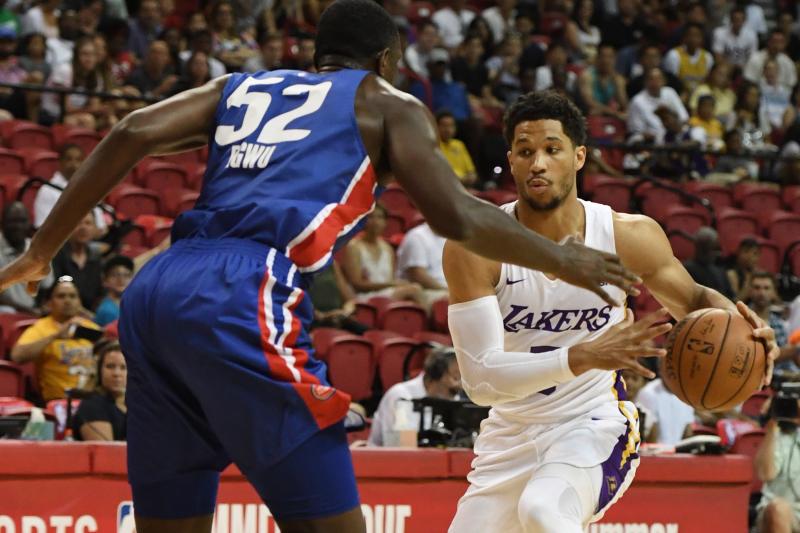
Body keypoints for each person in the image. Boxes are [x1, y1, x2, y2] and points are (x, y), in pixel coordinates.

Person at [0, 1, 644, 531]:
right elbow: (457, 216)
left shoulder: (241, 85)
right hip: (243, 288)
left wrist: (40, 249)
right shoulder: (386, 103)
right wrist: (563, 258)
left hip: (159, 288)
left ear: (316, 57)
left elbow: (135, 130)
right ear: (389, 61)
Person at [442, 91, 778, 533]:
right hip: (510, 434)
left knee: (543, 511)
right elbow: (482, 382)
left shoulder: (626, 236)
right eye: (525, 152)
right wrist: (585, 356)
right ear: (511, 159)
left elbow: (695, 302)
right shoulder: (476, 247)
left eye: (551, 149)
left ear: (579, 156)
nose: (537, 163)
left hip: (594, 424)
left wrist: (749, 329)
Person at [10, 277, 100, 402]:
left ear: (79, 302)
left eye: (73, 296)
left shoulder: (91, 328)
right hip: (57, 402)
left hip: (92, 401)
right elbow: (17, 356)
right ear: (49, 303)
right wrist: (55, 336)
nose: (68, 301)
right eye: (61, 296)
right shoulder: (41, 328)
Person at [368, 347, 461, 446]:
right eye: (455, 378)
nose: (460, 386)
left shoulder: (452, 398)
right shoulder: (401, 396)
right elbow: (399, 445)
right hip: (388, 458)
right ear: (434, 376)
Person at [341, 205, 424, 303]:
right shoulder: (354, 247)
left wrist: (393, 285)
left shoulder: (388, 249)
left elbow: (391, 279)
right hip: (363, 296)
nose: (375, 221)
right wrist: (392, 285)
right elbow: (356, 284)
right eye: (371, 217)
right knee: (414, 289)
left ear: (385, 222)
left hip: (387, 293)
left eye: (379, 217)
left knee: (411, 298)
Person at [33, 144, 106, 232]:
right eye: (69, 159)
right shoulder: (47, 190)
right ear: (60, 162)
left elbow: (101, 227)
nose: (74, 164)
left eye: (78, 160)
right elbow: (41, 227)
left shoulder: (91, 189)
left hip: (91, 243)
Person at [754, 399, 800, 533]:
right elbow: (765, 473)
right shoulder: (780, 436)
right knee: (778, 509)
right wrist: (772, 427)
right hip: (783, 513)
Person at [0, 202, 52, 315]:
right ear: (2, 223)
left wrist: (39, 308)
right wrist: (28, 311)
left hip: (34, 310)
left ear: (29, 223)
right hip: (6, 311)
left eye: (22, 221)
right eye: (13, 221)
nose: (18, 226)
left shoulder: (38, 249)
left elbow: (46, 286)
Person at [71, 340, 127, 441]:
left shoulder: (139, 405)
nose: (117, 373)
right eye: (110, 366)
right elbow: (106, 454)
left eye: (124, 368)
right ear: (99, 371)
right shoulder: (92, 406)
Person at [51, 213, 104, 312]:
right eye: (78, 223)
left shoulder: (96, 257)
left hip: (89, 317)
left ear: (95, 229)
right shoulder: (56, 256)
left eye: (88, 223)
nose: (83, 228)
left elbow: (99, 293)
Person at [436, 110, 477, 187]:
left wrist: (471, 178)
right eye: (444, 125)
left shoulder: (459, 144)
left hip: (464, 186)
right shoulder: (434, 146)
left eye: (451, 125)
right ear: (436, 126)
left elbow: (471, 172)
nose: (448, 130)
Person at [94, 255, 134, 327]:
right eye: (114, 275)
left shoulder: (134, 304)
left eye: (126, 275)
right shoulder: (106, 310)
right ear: (105, 281)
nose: (121, 279)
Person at [727, 236, 760, 301]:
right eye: (746, 252)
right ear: (738, 253)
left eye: (755, 253)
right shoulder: (732, 274)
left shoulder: (760, 274)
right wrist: (749, 280)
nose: (750, 256)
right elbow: (736, 301)